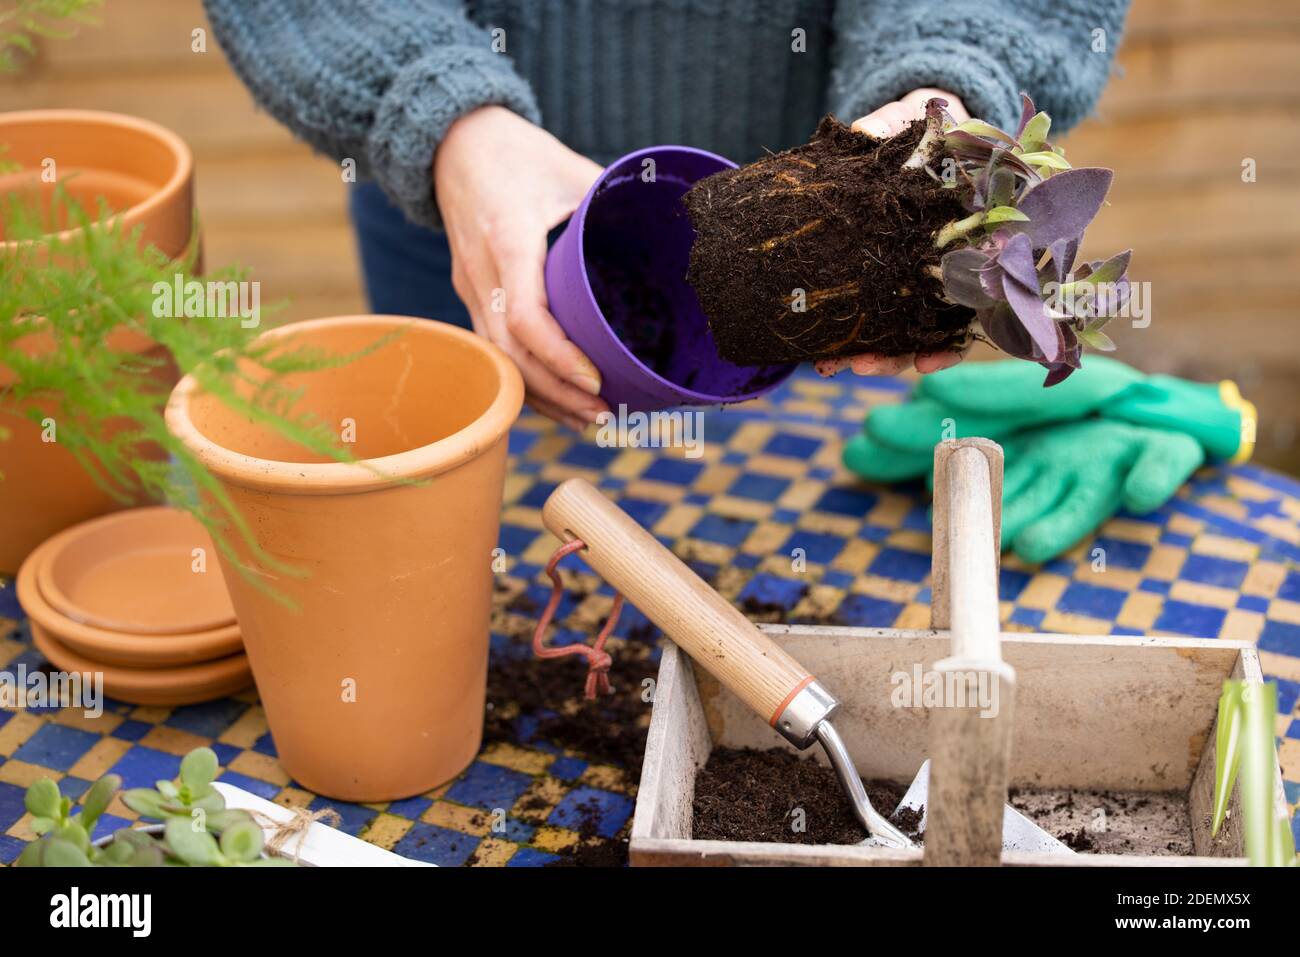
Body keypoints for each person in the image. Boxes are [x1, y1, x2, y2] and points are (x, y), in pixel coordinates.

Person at [203, 0, 1129, 431]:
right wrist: (437, 108)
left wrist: (941, 81)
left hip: (807, 263)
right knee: (472, 520)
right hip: (470, 206)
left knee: (776, 546)